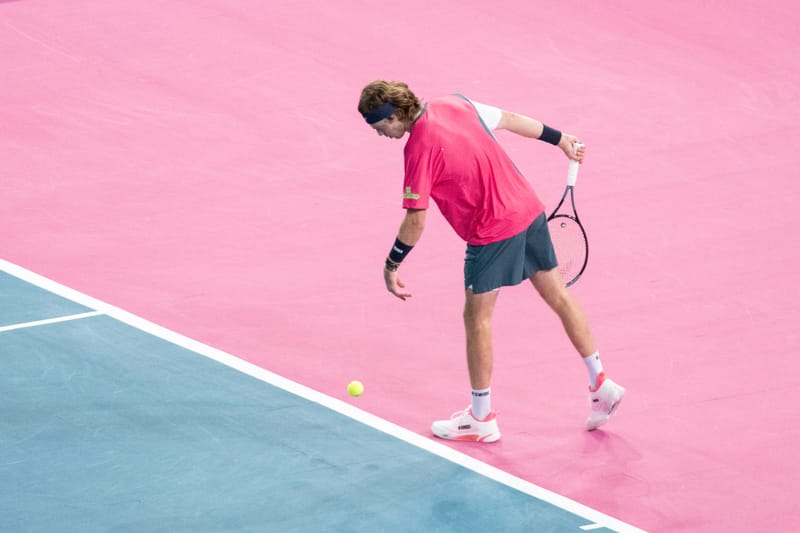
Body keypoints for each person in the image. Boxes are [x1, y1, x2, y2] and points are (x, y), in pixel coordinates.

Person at [357, 80, 625, 442]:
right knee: (558, 296)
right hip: (528, 211)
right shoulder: (456, 103)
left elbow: (415, 221)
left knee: (477, 319)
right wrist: (560, 139)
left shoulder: (418, 149)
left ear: (394, 116)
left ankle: (481, 417)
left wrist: (392, 264)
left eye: (379, 128)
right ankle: (600, 383)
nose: (381, 136)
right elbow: (511, 119)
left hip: (492, 232)